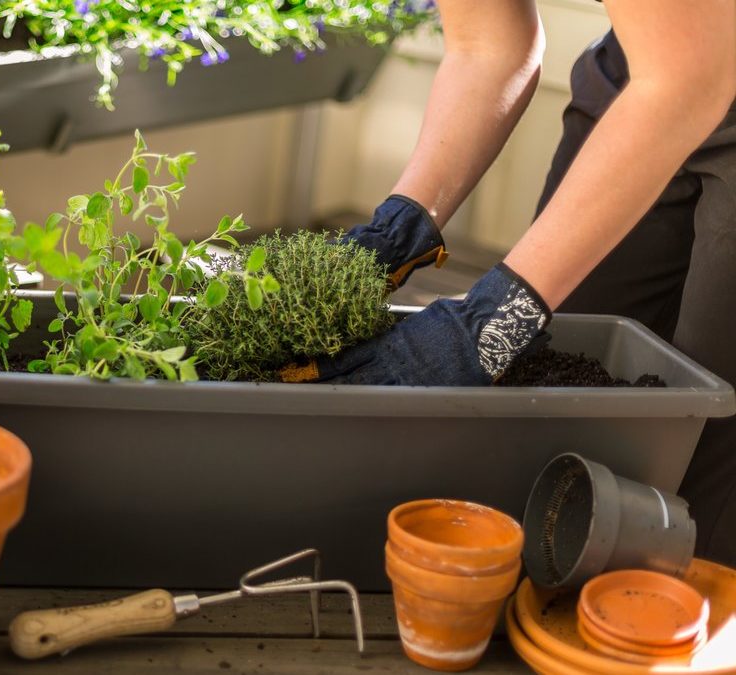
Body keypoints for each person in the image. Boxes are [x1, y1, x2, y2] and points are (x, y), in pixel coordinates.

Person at [286, 0, 736, 565]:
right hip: (646, 61)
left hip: (684, 68)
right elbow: (486, 47)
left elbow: (689, 80)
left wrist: (493, 319)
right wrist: (395, 232)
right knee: (569, 394)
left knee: (715, 446)